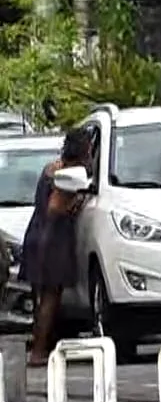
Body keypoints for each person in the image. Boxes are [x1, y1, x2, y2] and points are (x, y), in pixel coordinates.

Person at [20, 127, 93, 366]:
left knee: (41, 297)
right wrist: (76, 203)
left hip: (36, 234)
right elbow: (55, 207)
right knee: (51, 297)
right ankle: (39, 351)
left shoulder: (52, 167)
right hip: (52, 239)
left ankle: (40, 344)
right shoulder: (67, 174)